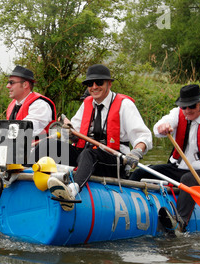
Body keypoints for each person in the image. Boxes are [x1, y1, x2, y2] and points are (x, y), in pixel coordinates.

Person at [47, 64, 153, 211]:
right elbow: (75, 133)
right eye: (90, 84)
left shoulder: (124, 105)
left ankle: (72, 190)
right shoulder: (86, 104)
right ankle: (27, 180)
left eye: (99, 83)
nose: (94, 87)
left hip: (114, 160)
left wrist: (136, 152)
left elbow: (144, 136)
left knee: (89, 153)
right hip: (87, 155)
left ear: (109, 84)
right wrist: (68, 132)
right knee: (50, 146)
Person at [130, 84, 200, 232]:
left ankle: (180, 223)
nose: (187, 110)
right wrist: (163, 127)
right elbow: (160, 125)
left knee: (188, 180)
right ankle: (128, 204)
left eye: (191, 106)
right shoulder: (178, 113)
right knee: (141, 171)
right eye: (184, 107)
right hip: (179, 168)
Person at [0, 65, 57, 217]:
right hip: (21, 151)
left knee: (11, 154)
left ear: (25, 85)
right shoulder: (13, 105)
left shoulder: (40, 104)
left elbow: (28, 130)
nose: (7, 86)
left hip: (43, 153)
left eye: (11, 82)